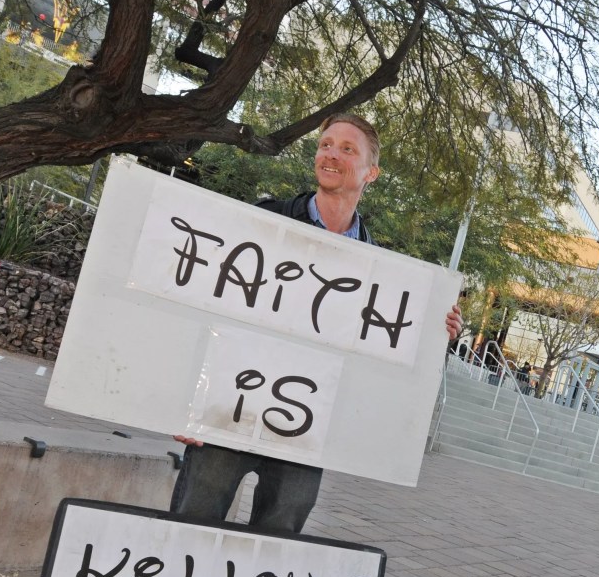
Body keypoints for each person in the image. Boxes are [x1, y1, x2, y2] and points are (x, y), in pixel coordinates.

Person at [170, 113, 462, 533]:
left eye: (347, 149)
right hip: (227, 408)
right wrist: (183, 405)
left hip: (304, 427)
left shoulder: (382, 270)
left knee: (278, 538)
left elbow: (385, 356)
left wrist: (438, 332)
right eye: (326, 144)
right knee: (188, 528)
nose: (331, 154)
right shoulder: (264, 221)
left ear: (371, 173)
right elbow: (205, 307)